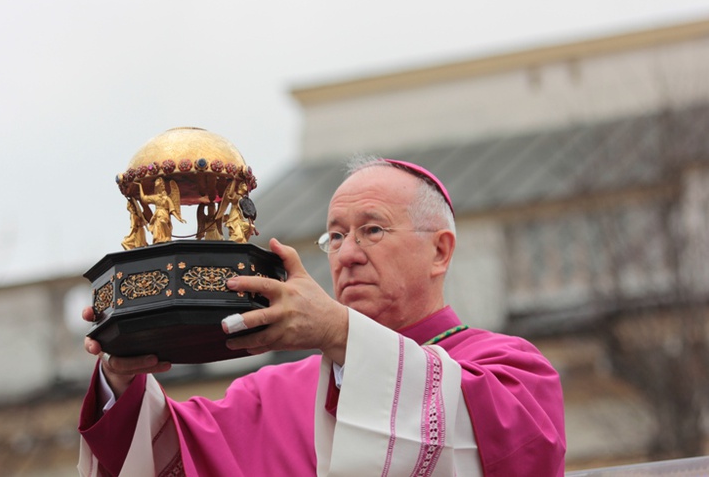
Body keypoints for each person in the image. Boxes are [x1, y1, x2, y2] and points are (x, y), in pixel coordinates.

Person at [78, 157, 566, 476]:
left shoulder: (510, 369)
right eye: (334, 237)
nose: (346, 254)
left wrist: (338, 331)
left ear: (440, 251)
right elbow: (171, 458)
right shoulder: (271, 396)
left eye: (371, 230)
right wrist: (121, 381)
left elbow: (519, 456)